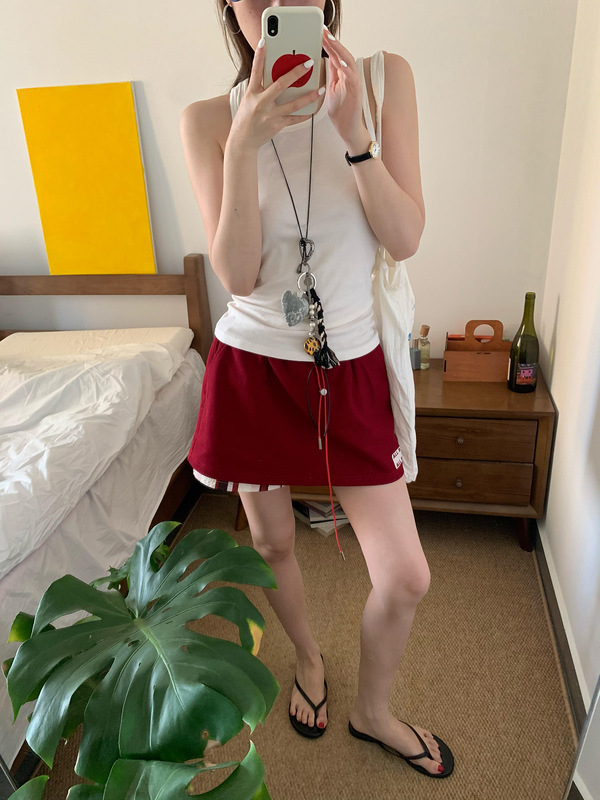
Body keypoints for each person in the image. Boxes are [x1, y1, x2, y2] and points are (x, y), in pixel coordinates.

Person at [180, 0, 454, 780]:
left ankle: (373, 711)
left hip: (349, 368)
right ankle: (307, 658)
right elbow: (238, 276)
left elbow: (405, 237)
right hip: (254, 369)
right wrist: (243, 145)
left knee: (405, 575)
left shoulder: (382, 79)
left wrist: (355, 137)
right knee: (271, 545)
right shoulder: (208, 120)